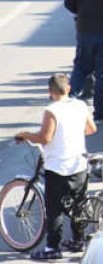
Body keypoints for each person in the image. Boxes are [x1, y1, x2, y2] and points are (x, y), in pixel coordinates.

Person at [15, 74, 97, 260]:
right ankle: (78, 240)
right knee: (78, 205)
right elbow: (92, 129)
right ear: (68, 88)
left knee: (55, 210)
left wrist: (26, 135)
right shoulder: (80, 105)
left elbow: (45, 138)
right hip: (79, 165)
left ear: (50, 92)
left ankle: (52, 248)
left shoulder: (51, 111)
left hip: (58, 166)